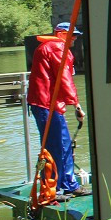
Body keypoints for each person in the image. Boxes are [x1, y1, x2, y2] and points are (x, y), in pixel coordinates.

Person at [27, 22, 88, 198]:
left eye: (76, 35)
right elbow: (64, 78)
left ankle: (68, 184)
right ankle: (53, 189)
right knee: (55, 146)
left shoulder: (51, 47)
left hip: (49, 103)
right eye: (72, 34)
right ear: (61, 33)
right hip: (46, 103)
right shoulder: (57, 47)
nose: (75, 39)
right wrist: (76, 104)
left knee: (64, 144)